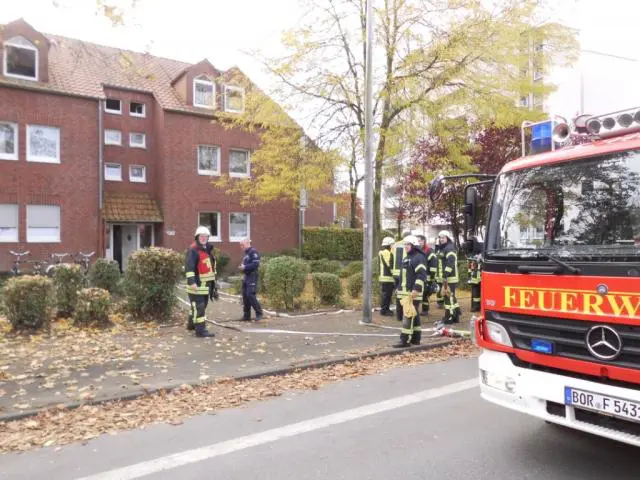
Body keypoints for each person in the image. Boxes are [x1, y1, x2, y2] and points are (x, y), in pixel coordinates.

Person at [393, 235, 427, 348]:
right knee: (414, 314)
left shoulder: (419, 257)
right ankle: (416, 338)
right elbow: (403, 276)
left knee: (407, 316)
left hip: (413, 293)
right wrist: (398, 287)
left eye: (408, 244)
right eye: (405, 244)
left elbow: (421, 275)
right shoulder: (407, 258)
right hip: (405, 293)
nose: (406, 247)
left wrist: (416, 289)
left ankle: (404, 340)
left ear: (413, 245)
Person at [184, 226, 217, 338]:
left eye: (206, 236)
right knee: (200, 307)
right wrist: (192, 282)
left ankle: (191, 324)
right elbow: (189, 268)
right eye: (201, 236)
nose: (203, 238)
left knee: (196, 307)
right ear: (197, 237)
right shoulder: (193, 250)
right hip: (196, 286)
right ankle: (200, 331)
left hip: (204, 287)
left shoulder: (206, 249)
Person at [438, 230, 461, 324]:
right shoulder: (444, 248)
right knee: (450, 297)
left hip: (449, 278)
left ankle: (450, 317)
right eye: (440, 238)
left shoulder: (449, 248)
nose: (441, 239)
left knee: (449, 297)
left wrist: (445, 275)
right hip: (447, 278)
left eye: (443, 237)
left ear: (447, 238)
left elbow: (450, 263)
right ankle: (456, 315)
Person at [239, 239, 264, 321]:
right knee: (245, 296)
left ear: (247, 243)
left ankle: (259, 313)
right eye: (240, 245)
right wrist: (243, 268)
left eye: (242, 245)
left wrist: (245, 267)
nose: (241, 247)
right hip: (247, 276)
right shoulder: (246, 254)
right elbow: (247, 264)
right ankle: (246, 316)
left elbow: (256, 264)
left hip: (252, 276)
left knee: (250, 294)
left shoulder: (253, 252)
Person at [378, 236, 395, 316]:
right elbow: (390, 265)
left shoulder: (385, 252)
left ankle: (386, 309)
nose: (393, 246)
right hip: (387, 278)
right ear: (388, 245)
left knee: (387, 295)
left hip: (386, 278)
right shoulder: (386, 252)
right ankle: (384, 310)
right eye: (392, 244)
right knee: (386, 295)